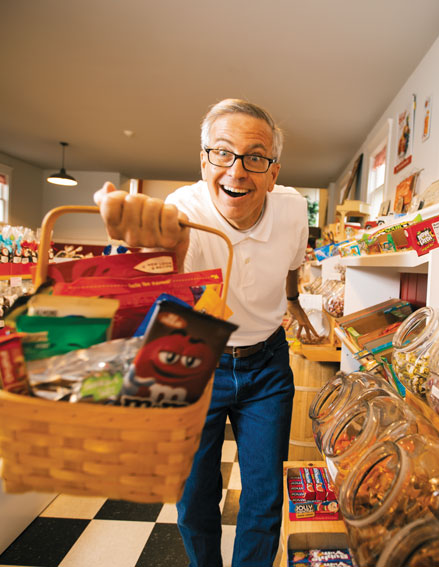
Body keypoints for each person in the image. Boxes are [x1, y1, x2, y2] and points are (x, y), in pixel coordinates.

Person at [94, 98, 318, 567]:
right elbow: (165, 293)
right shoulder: (182, 212)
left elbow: (294, 266)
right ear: (204, 161)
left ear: (273, 172)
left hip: (268, 366)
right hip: (200, 361)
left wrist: (294, 303)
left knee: (264, 493)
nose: (237, 171)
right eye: (223, 153)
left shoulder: (294, 209)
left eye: (255, 157)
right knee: (194, 493)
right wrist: (147, 250)